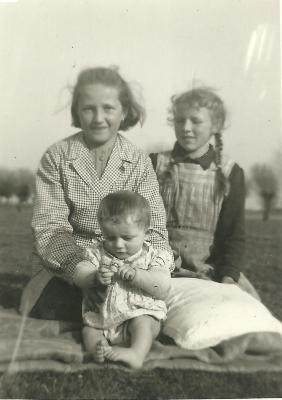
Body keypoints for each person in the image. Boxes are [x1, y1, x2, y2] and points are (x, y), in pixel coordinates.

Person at [20, 66, 173, 322]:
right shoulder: (57, 157)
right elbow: (50, 228)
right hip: (68, 269)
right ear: (77, 112)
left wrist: (154, 274)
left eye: (108, 108)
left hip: (129, 265)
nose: (98, 118)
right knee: (61, 311)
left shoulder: (138, 161)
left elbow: (155, 228)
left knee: (145, 311)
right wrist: (86, 277)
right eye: (89, 108)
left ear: (124, 111)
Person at [150, 86, 257, 296]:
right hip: (158, 269)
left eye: (196, 121)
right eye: (180, 121)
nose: (186, 128)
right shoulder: (155, 164)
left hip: (210, 273)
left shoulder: (230, 173)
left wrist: (228, 279)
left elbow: (234, 236)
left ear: (215, 125)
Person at [82, 191, 172, 369]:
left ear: (146, 233)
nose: (118, 244)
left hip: (138, 313)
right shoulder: (95, 253)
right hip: (103, 318)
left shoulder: (153, 256)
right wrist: (95, 277)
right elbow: (83, 272)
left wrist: (138, 275)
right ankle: (100, 349)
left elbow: (162, 286)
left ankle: (136, 353)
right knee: (88, 331)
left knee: (144, 324)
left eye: (127, 238)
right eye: (110, 237)